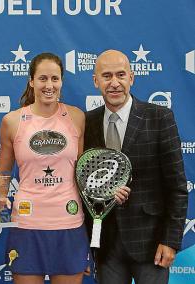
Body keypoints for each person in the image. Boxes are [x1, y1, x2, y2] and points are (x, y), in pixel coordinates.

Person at [0, 52, 99, 284]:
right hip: (27, 224)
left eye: (54, 79)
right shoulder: (12, 121)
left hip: (69, 223)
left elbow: (82, 171)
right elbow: (3, 172)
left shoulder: (76, 117)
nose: (49, 85)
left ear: (61, 81)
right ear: (31, 81)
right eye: (42, 79)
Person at [84, 49, 188, 284]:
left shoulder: (159, 117)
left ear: (131, 77)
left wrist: (170, 240)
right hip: (106, 246)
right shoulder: (86, 122)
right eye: (107, 76)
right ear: (95, 81)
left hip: (151, 243)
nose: (114, 83)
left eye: (121, 75)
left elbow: (177, 187)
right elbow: (83, 185)